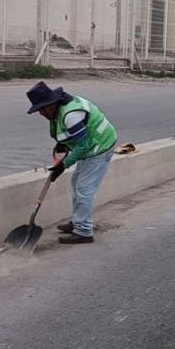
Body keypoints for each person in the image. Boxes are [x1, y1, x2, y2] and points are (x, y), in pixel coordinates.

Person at [26, 81, 118, 244]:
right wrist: (63, 144)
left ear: (51, 104)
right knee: (76, 183)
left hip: (99, 147)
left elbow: (84, 146)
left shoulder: (71, 116)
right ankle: (77, 221)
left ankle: (83, 231)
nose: (41, 113)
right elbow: (73, 136)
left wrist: (63, 165)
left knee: (84, 189)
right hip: (91, 146)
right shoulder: (59, 109)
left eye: (42, 109)